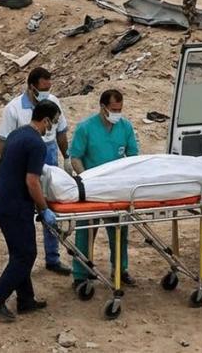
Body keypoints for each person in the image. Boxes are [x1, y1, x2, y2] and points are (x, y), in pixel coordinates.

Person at [0, 100, 61, 321]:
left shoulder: (17, 134)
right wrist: (44, 208)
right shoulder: (37, 144)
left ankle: (26, 300)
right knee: (26, 254)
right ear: (45, 120)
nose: (53, 127)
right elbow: (32, 181)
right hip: (14, 205)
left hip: (1, 200)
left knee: (19, 252)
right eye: (54, 122)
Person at [0, 68, 72, 275]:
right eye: (43, 89)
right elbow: (5, 144)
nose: (47, 93)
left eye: (49, 88)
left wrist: (66, 157)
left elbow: (61, 132)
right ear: (32, 87)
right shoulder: (14, 109)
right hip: (26, 158)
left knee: (49, 207)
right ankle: (22, 258)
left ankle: (52, 257)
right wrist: (9, 169)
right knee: (26, 209)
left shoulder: (53, 103)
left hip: (49, 154)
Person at [69, 90, 139, 289]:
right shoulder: (86, 128)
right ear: (103, 107)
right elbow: (75, 157)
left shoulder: (125, 127)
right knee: (86, 231)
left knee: (120, 231)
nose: (117, 113)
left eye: (120, 109)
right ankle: (81, 273)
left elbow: (133, 156)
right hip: (92, 188)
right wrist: (86, 180)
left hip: (115, 188)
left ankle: (120, 269)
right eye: (113, 110)